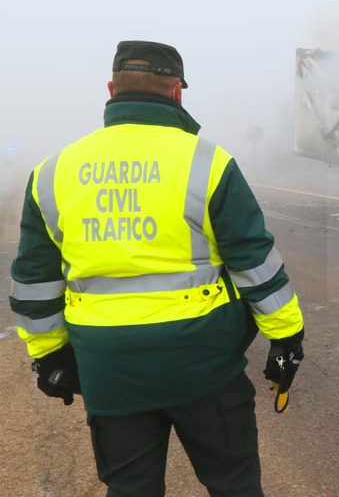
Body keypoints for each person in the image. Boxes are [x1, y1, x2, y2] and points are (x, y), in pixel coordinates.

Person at [7, 41, 305, 496]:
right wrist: (286, 336)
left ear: (111, 89)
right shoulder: (208, 162)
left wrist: (49, 355)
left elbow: (34, 279)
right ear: (176, 93)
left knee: (130, 488)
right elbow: (255, 262)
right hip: (205, 366)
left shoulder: (53, 172)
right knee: (235, 484)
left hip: (109, 370)